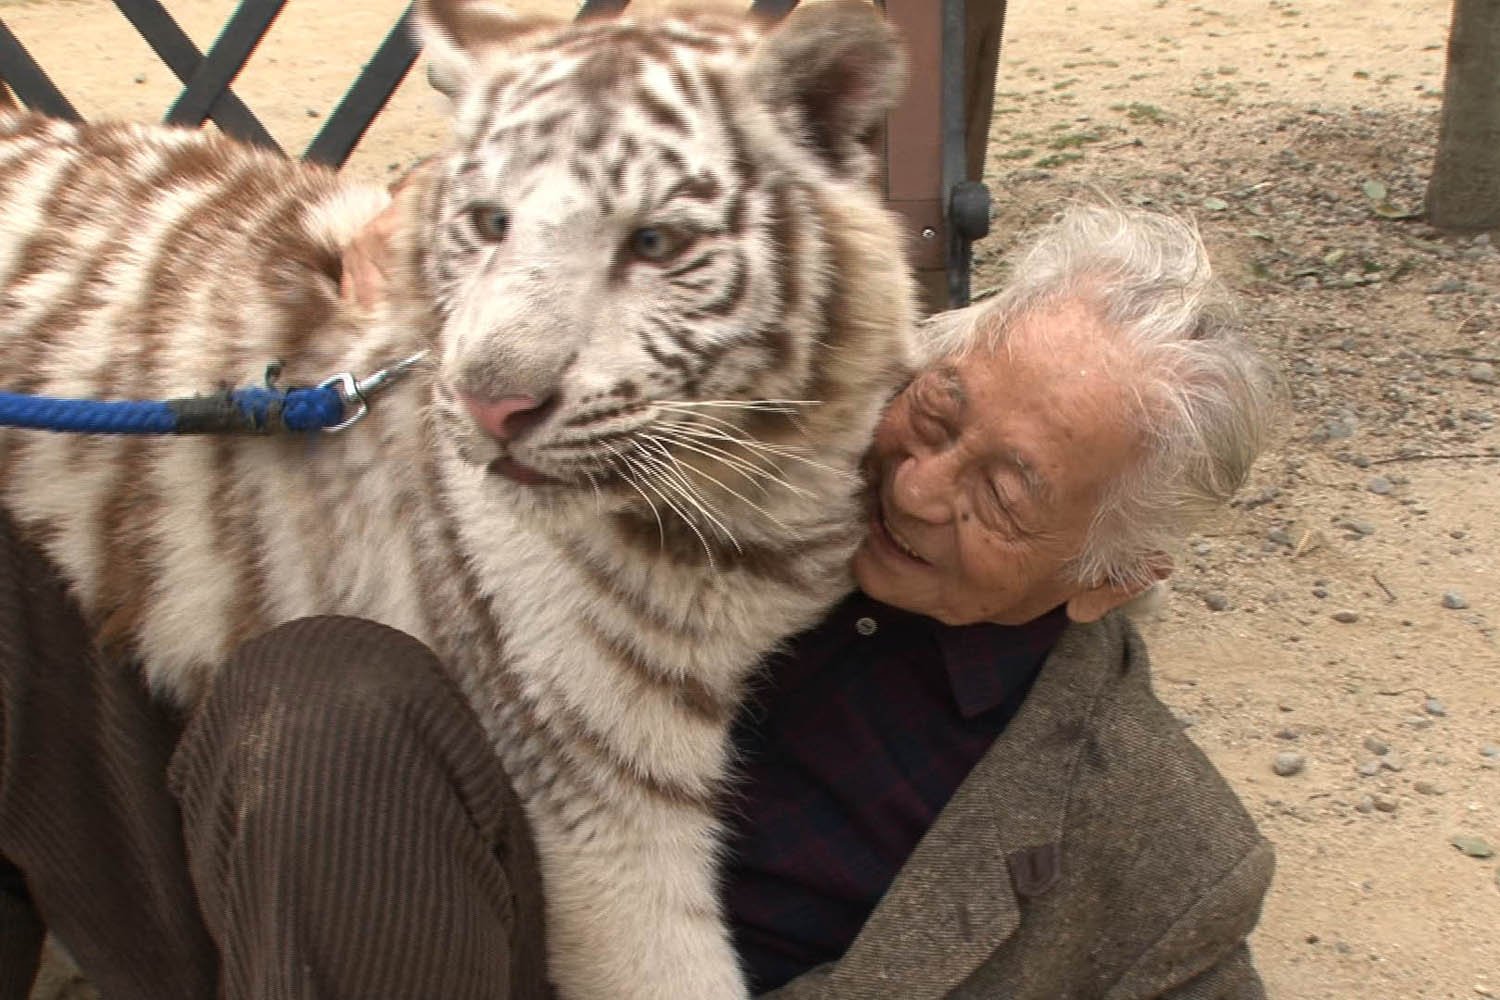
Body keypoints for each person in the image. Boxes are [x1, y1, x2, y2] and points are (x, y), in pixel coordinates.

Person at [0, 203, 1280, 1000]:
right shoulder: (744, 422)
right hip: (310, 886)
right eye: (939, 412)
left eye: (1005, 494)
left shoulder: (1152, 848)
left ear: (1112, 577)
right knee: (298, 689)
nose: (920, 484)